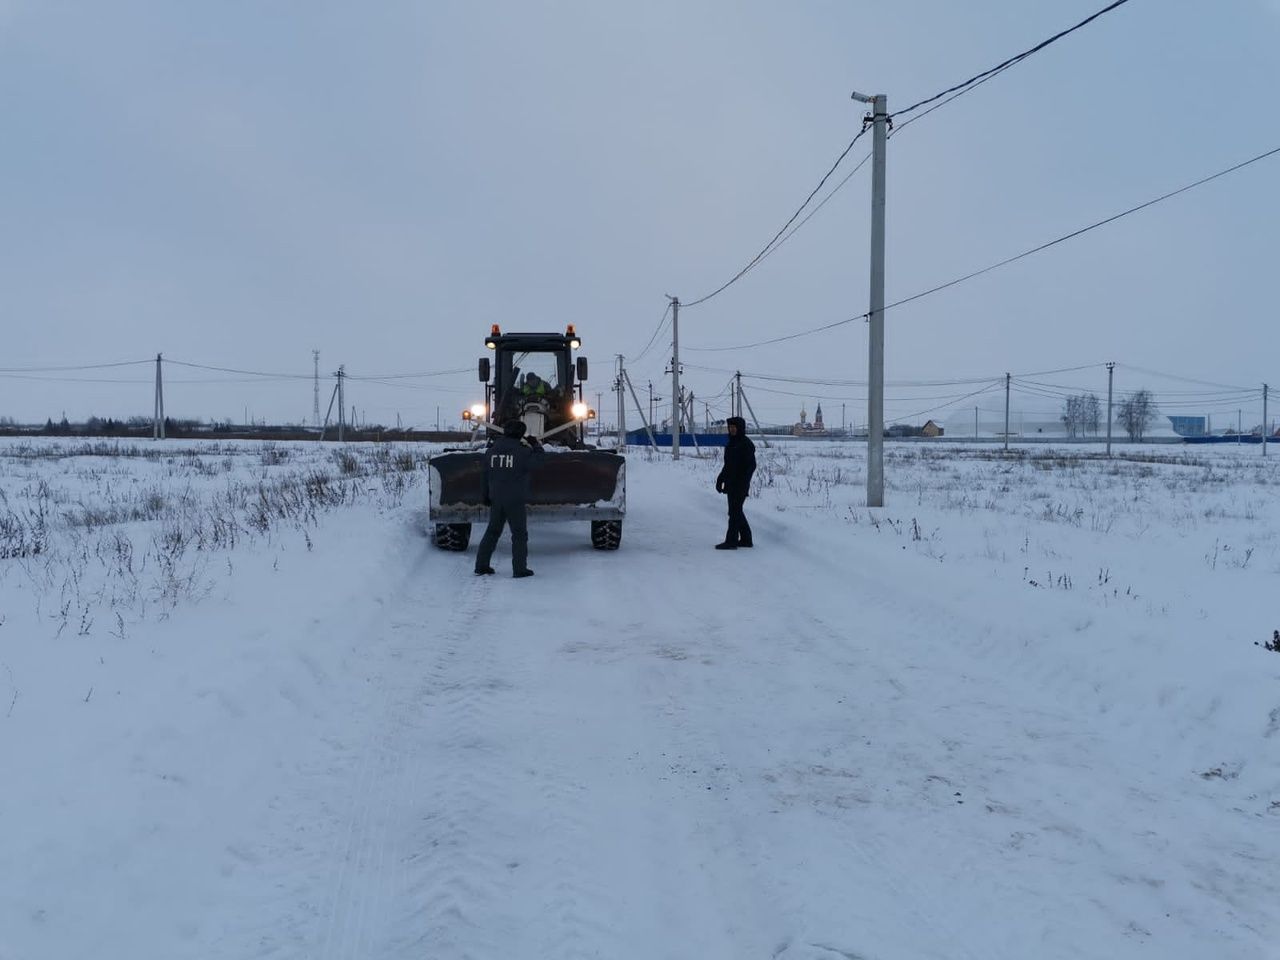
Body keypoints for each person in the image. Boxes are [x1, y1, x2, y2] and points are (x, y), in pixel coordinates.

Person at [475, 420, 545, 577]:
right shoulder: (523, 452)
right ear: (521, 434)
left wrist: (485, 495)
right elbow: (539, 461)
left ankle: (481, 565)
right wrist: (536, 445)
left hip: (496, 498)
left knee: (492, 532)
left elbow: (485, 476)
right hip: (515, 499)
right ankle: (519, 569)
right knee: (519, 534)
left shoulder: (491, 452)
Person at [714, 416, 756, 550]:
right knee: (736, 511)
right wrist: (720, 479)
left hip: (740, 484)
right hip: (731, 484)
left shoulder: (746, 444)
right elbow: (728, 465)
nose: (732, 429)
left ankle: (731, 541)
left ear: (740, 428)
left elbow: (751, 466)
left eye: (734, 427)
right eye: (730, 427)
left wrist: (743, 482)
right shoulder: (731, 443)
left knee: (734, 512)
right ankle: (746, 539)